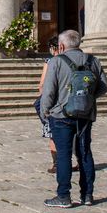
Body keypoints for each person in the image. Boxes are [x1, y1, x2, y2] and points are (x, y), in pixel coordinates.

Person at [39, 29, 107, 208]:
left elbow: (48, 91)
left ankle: (63, 196)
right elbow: (105, 86)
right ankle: (87, 195)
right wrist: (88, 99)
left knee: (64, 156)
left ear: (61, 46)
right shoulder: (93, 60)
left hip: (61, 115)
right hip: (85, 114)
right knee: (84, 153)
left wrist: (45, 110)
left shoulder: (56, 62)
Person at [34, 36, 78, 174]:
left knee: (53, 134)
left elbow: (42, 86)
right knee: (75, 136)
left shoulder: (51, 61)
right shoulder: (76, 61)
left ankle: (57, 164)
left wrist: (45, 107)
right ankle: (80, 161)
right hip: (74, 105)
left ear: (54, 48)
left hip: (54, 107)